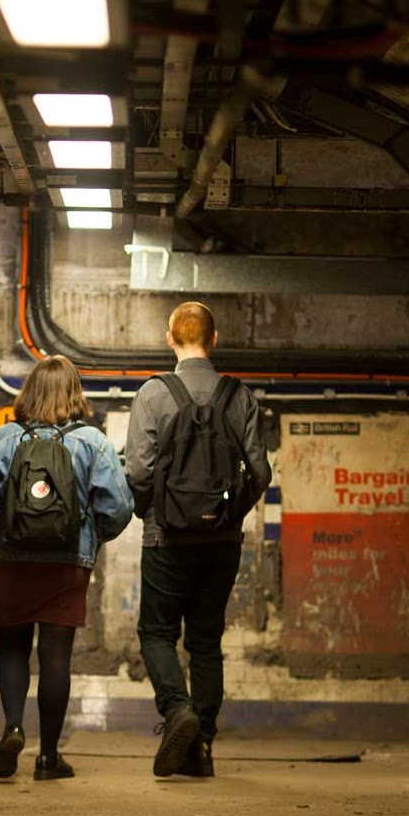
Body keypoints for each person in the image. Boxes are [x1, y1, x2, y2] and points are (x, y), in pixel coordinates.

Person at [0, 355, 133, 781]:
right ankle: (49, 757)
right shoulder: (92, 442)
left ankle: (13, 727)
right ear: (74, 393)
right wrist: (89, 537)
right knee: (56, 656)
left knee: (13, 647)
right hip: (66, 562)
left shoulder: (1, 440)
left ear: (29, 392)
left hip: (9, 560)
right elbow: (118, 507)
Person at [125, 302, 271, 778]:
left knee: (157, 632)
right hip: (221, 543)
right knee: (206, 641)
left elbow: (139, 471)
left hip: (165, 539)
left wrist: (154, 514)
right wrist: (230, 515)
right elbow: (260, 471)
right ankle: (201, 745)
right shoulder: (239, 396)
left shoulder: (153, 394)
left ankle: (176, 710)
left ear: (170, 338)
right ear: (215, 337)